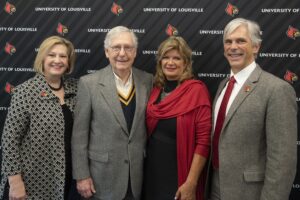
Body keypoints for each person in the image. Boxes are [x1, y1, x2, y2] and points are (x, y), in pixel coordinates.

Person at [208, 18, 297, 200]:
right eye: (228, 41)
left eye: (241, 41)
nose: (233, 47)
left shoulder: (277, 89)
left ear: (256, 47)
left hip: (250, 193)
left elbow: (282, 161)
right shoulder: (223, 86)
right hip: (215, 188)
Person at [71, 26, 153, 200]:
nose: (122, 53)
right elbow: (79, 136)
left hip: (137, 177)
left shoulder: (147, 81)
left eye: (128, 48)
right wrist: (82, 175)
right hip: (101, 178)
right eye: (116, 48)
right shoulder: (89, 84)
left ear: (135, 52)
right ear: (107, 52)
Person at [0, 36, 81, 199]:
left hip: (65, 179)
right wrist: (15, 183)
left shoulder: (76, 89)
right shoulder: (26, 92)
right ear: (42, 58)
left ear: (68, 62)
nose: (57, 60)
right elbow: (10, 139)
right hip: (31, 182)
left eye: (63, 56)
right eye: (52, 55)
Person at [143, 36, 212, 200]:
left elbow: (203, 143)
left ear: (186, 63)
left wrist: (191, 182)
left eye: (176, 58)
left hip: (181, 174)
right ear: (160, 61)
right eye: (166, 57)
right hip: (152, 174)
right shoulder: (154, 90)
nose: (170, 62)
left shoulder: (197, 91)